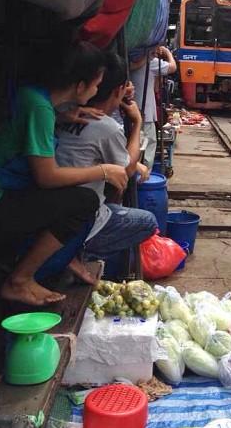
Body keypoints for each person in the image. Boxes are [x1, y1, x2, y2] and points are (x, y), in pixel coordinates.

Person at [0, 41, 128, 390]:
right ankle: (21, 281)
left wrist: (65, 116)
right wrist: (103, 170)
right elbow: (46, 177)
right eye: (95, 83)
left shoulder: (35, 97)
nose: (96, 91)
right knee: (81, 203)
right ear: (79, 84)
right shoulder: (39, 108)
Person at [56, 52, 158, 269]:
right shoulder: (105, 126)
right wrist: (137, 123)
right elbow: (127, 169)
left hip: (54, 205)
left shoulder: (64, 111)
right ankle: (77, 252)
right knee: (147, 221)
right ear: (118, 91)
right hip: (75, 217)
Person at [129, 46, 177, 169]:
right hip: (145, 112)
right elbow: (173, 67)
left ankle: (135, 173)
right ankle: (144, 174)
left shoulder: (130, 59)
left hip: (130, 109)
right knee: (148, 144)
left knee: (134, 141)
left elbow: (156, 87)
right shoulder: (151, 62)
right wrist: (168, 53)